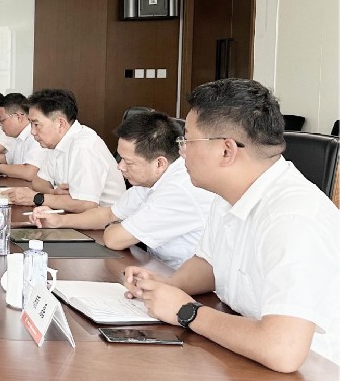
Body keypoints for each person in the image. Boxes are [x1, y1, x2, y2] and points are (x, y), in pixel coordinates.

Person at [122, 79, 338, 372]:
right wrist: (165, 286)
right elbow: (209, 264)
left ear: (226, 151)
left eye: (187, 142)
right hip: (245, 357)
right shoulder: (228, 194)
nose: (181, 153)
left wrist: (186, 311)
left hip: (316, 379)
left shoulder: (294, 219)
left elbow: (282, 350)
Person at [31, 111, 216, 268]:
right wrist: (59, 221)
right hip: (157, 268)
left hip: (187, 283)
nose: (120, 167)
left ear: (159, 163)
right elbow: (109, 214)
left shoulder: (178, 189)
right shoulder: (151, 178)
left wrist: (118, 224)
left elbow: (115, 239)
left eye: (128, 162)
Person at [5, 89, 125, 212]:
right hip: (74, 216)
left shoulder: (84, 146)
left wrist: (37, 198)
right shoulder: (55, 143)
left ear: (60, 123)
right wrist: (53, 192)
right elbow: (38, 181)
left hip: (106, 221)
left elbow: (85, 204)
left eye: (36, 124)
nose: (32, 132)